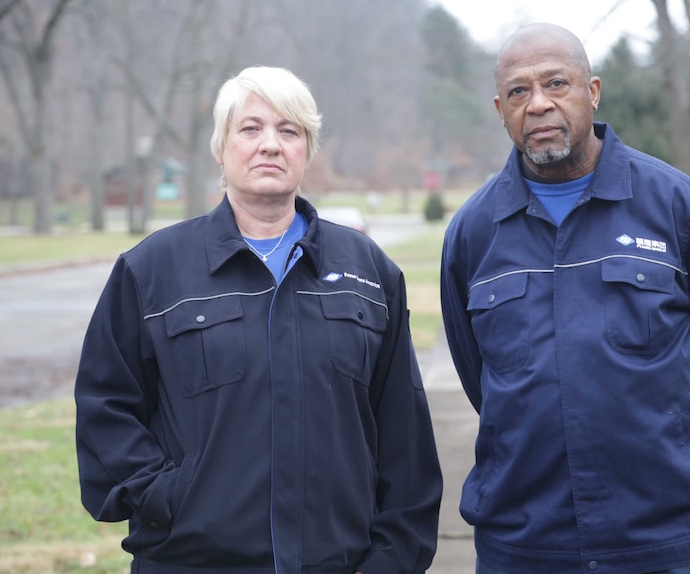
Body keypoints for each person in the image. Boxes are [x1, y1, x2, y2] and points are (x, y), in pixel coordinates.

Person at [75, 65, 442, 574]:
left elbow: (406, 440)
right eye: (250, 128)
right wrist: (170, 499)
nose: (270, 144)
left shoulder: (369, 272)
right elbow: (105, 407)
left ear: (307, 150)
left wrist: (391, 559)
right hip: (192, 561)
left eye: (288, 130)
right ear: (221, 147)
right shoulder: (153, 270)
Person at [440, 23, 690, 574]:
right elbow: (478, 375)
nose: (537, 104)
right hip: (526, 544)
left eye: (555, 83)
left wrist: (667, 446)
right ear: (499, 108)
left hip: (669, 539)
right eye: (518, 92)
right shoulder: (473, 232)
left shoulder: (681, 208)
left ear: (592, 92)